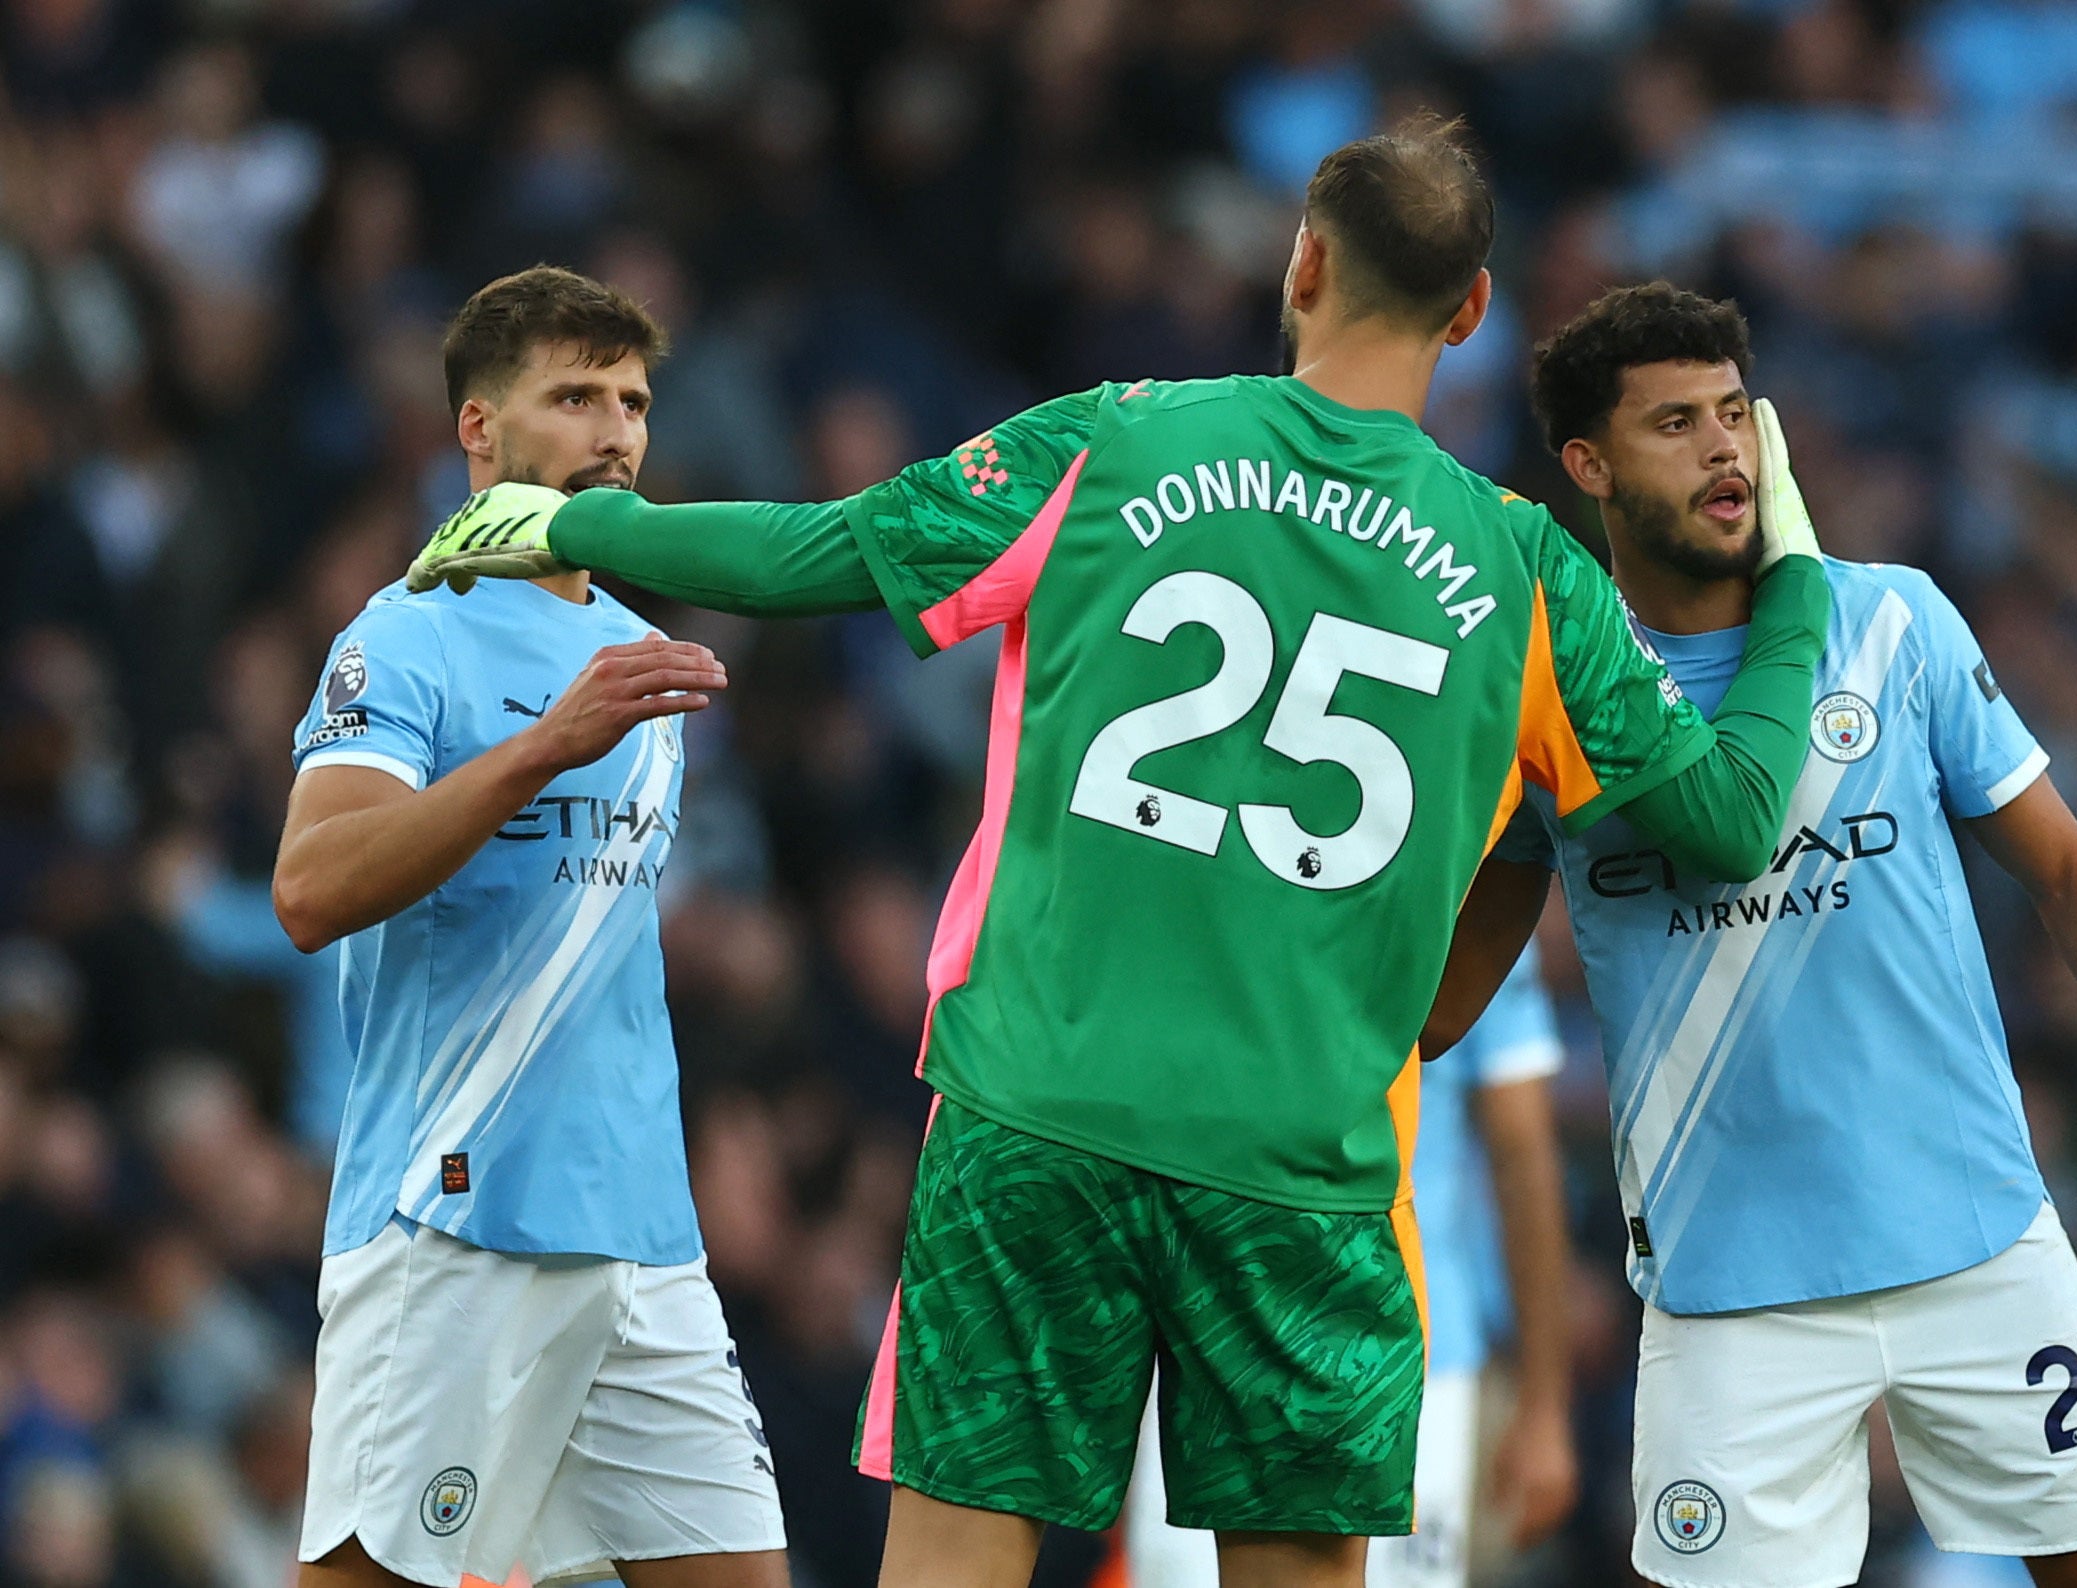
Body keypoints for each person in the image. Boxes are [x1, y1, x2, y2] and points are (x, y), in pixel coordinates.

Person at [403, 119, 1831, 1588]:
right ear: (1471, 314)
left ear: (1303, 264)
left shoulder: (1112, 437)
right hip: (1300, 1173)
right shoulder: (1532, 570)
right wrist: (1788, 580)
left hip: (1035, 1119)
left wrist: (573, 514)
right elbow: (1725, 825)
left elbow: (801, 556)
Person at [1425, 281, 2077, 1588]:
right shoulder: (1551, 696)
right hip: (1729, 1295)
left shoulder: (1891, 624)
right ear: (1585, 464)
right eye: (1669, 424)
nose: (1718, 448)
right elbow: (1438, 1000)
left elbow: (2063, 871)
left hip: (1976, 1241)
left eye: (1728, 415)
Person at [272, 266, 786, 1588]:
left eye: (633, 399)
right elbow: (310, 889)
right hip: (455, 1218)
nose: (616, 428)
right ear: (480, 431)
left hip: (642, 1236)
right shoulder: (404, 639)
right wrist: (541, 750)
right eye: (575, 396)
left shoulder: (634, 647)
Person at [1124, 945, 1579, 1588]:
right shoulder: (1461, 867)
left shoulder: (1473, 879)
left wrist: (1544, 1407)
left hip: (1408, 1363)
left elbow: (1521, 1148)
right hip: (1216, 1343)